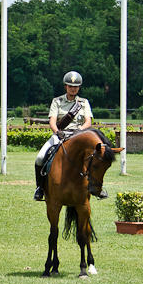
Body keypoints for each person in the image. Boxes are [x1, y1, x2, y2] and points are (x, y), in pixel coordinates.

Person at [34, 71, 93, 201]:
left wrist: (79, 131)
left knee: (95, 158)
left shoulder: (84, 103)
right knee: (40, 157)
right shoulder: (57, 101)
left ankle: (96, 187)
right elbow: (52, 121)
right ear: (65, 86)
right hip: (60, 135)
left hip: (78, 136)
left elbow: (88, 122)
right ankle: (40, 188)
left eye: (75, 86)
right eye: (70, 86)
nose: (73, 89)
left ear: (79, 87)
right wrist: (57, 132)